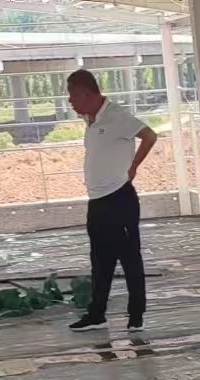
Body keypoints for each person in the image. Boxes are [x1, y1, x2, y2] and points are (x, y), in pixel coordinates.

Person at [66, 68, 157, 333]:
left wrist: (134, 166)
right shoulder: (91, 120)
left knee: (129, 258)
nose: (70, 102)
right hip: (97, 201)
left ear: (85, 92)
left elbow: (150, 136)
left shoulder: (117, 116)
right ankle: (97, 314)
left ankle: (136, 316)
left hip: (119, 198)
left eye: (72, 96)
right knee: (100, 260)